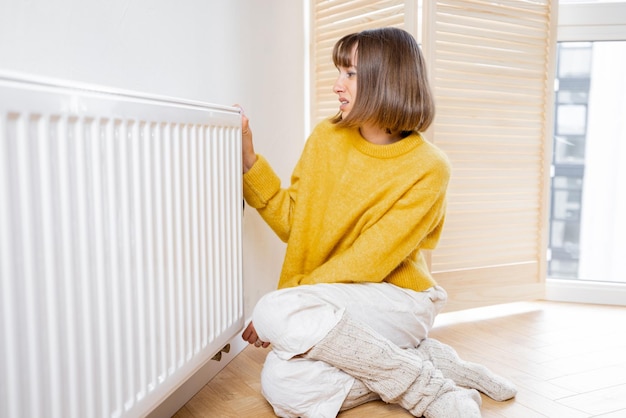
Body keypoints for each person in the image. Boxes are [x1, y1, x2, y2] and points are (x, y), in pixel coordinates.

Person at [238, 27, 516, 418]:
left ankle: (430, 392)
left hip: (401, 302)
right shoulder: (326, 138)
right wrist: (249, 161)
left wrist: (288, 303)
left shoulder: (430, 168)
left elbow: (368, 262)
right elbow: (294, 224)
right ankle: (428, 362)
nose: (337, 85)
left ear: (387, 79)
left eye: (350, 73)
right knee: (284, 385)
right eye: (339, 71)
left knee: (273, 311)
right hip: (334, 300)